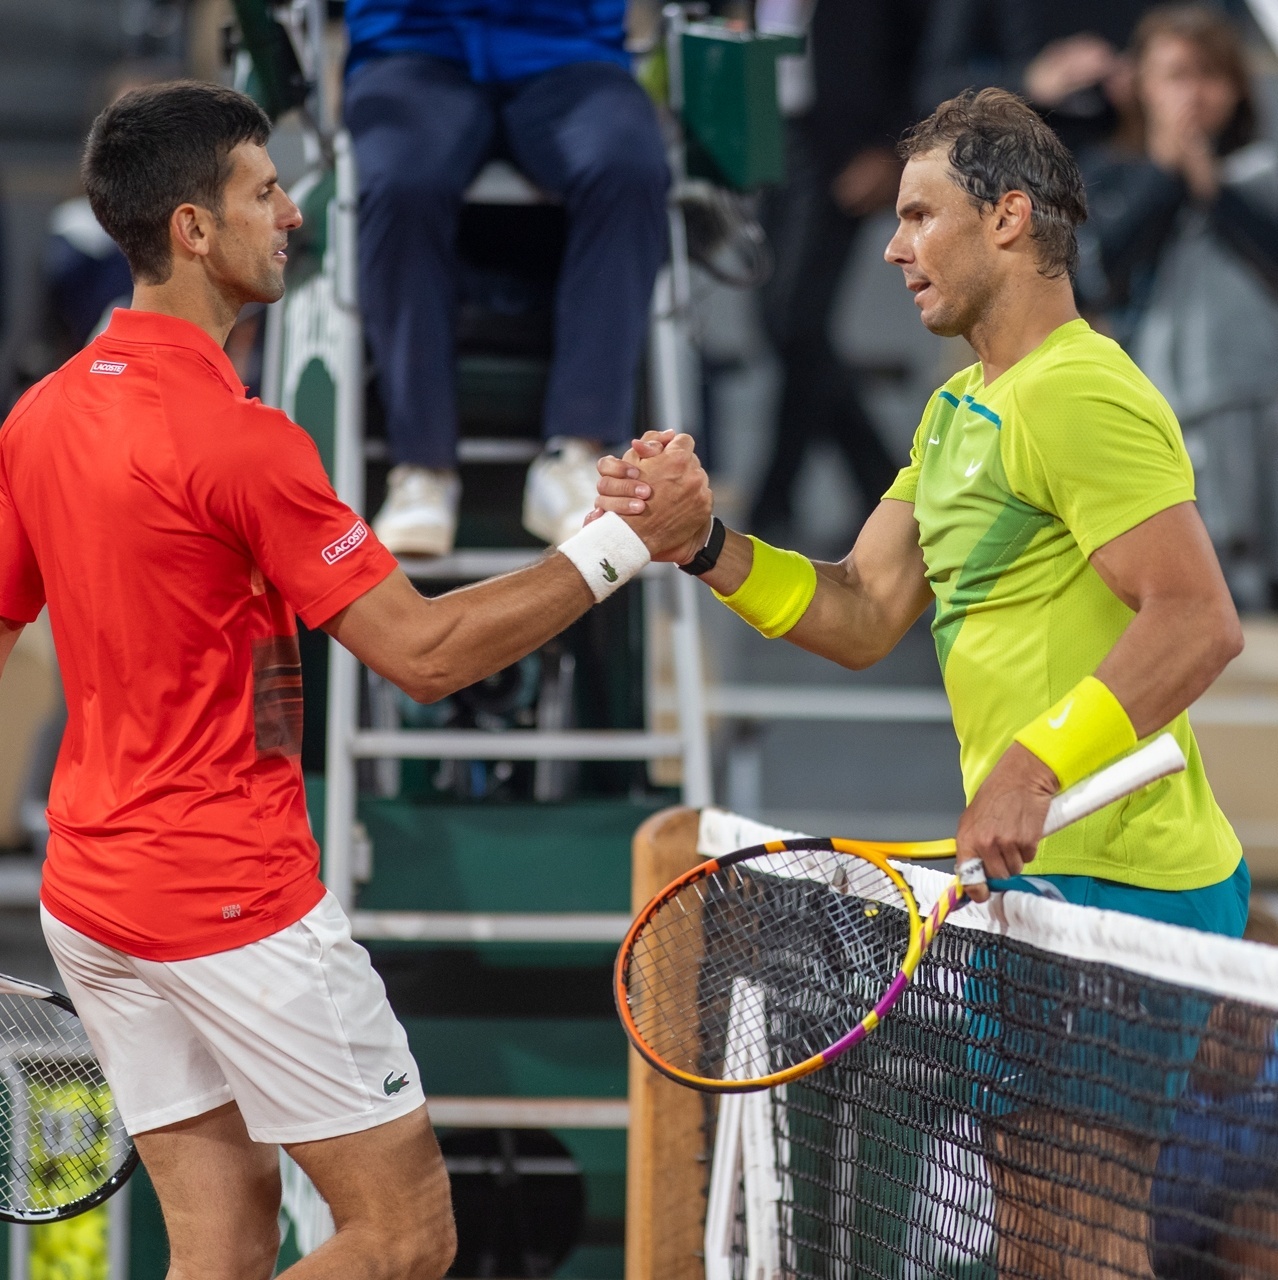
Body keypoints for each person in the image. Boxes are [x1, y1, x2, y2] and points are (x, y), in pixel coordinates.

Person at [0, 81, 709, 1279]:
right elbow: (424, 656)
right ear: (190, 228)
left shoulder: (42, 416)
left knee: (218, 1250)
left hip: (92, 894)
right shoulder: (244, 442)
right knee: (403, 1235)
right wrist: (623, 545)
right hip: (229, 902)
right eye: (264, 192)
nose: (290, 216)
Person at [599, 87, 1247, 1279]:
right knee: (1043, 1243)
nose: (893, 246)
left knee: (1081, 1245)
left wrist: (1037, 760)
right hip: (1039, 885)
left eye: (919, 214)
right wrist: (702, 544)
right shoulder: (957, 413)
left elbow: (1200, 621)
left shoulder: (1081, 391)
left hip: (1120, 877)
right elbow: (859, 610)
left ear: (1008, 217)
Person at [343, 0, 670, 557]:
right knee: (401, 184)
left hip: (568, 50)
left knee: (630, 169)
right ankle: (422, 470)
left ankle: (578, 453)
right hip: (413, 44)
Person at [1076, 4, 1278, 610]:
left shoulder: (1262, 173)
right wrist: (1171, 174)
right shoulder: (1111, 174)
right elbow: (1096, 273)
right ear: (1139, 83)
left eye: (1210, 74)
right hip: (1153, 394)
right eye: (1176, 74)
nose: (1194, 92)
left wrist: (1209, 183)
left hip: (1261, 389)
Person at [748, 0, 929, 542]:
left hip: (843, 144)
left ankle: (776, 495)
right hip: (765, 131)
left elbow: (919, 48)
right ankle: (883, 483)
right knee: (780, 323)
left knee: (794, 320)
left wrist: (892, 145)